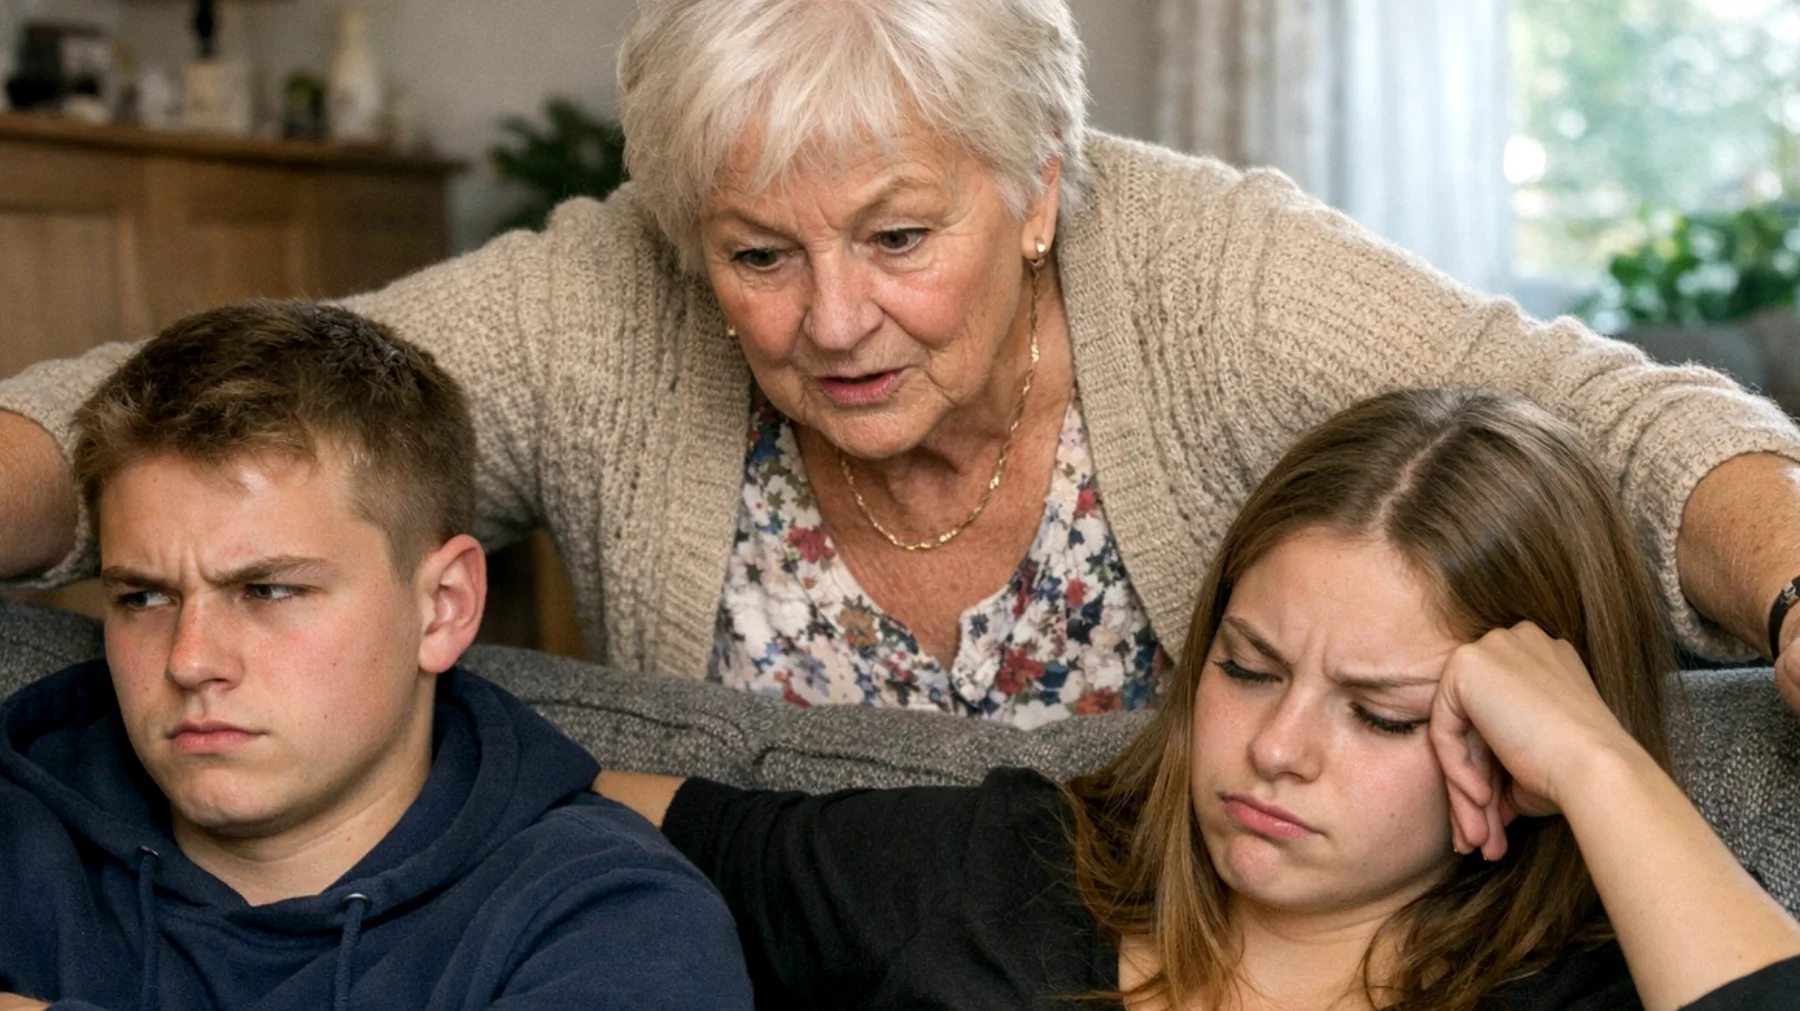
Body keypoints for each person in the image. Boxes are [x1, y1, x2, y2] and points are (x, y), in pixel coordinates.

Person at [4, 0, 1800, 726]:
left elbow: (1601, 418)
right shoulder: (604, 302)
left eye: (897, 237)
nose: (831, 321)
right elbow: (183, 416)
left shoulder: (1212, 275)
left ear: (1037, 189)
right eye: (757, 255)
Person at [595, 389, 1800, 1010]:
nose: (1278, 749)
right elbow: (573, 803)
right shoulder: (999, 873)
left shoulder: (1597, 989)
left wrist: (1598, 764)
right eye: (1250, 668)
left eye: (1382, 714)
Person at [0, 303, 752, 1010]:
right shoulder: (21, 837)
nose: (190, 661)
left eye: (268, 590)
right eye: (143, 597)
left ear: (444, 606)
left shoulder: (612, 921)